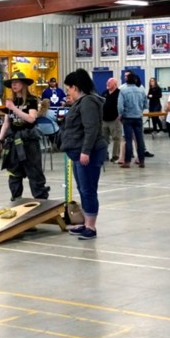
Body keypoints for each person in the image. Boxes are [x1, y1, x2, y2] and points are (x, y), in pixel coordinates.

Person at [60, 69, 107, 240]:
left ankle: (91, 227)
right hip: (78, 153)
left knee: (88, 190)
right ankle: (86, 223)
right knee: (83, 188)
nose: (68, 93)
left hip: (89, 153)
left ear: (76, 87)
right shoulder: (81, 102)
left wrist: (86, 151)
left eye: (69, 89)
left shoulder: (88, 102)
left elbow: (91, 128)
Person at [0, 71, 50, 201]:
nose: (14, 85)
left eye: (17, 82)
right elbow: (7, 123)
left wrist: (14, 109)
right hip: (13, 141)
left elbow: (31, 119)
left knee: (34, 172)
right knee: (13, 173)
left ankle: (41, 202)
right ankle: (16, 199)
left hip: (29, 141)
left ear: (23, 84)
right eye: (12, 83)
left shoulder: (31, 100)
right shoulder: (11, 102)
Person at [117, 71, 147, 167]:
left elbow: (120, 106)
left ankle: (127, 162)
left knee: (128, 140)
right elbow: (146, 104)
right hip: (138, 117)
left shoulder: (123, 90)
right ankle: (141, 161)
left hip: (127, 118)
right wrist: (139, 110)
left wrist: (120, 115)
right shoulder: (141, 90)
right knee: (140, 140)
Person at [101, 77, 123, 163]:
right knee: (103, 139)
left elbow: (122, 105)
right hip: (104, 120)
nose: (107, 84)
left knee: (116, 138)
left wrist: (120, 115)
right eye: (107, 82)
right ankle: (104, 155)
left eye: (109, 83)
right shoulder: (104, 93)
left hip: (115, 119)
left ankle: (115, 156)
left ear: (114, 84)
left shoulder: (119, 93)